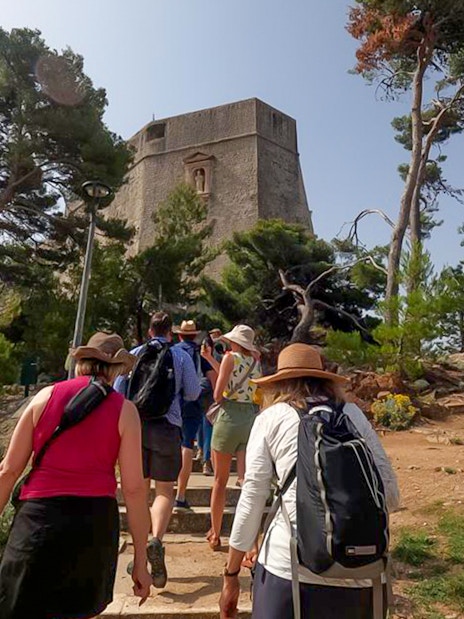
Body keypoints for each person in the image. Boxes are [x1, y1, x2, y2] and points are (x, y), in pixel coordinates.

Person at [219, 343, 400, 619]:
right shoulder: (352, 415)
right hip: (362, 574)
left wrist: (231, 574)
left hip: (289, 570)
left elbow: (252, 500)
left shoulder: (271, 418)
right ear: (324, 380)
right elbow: (390, 494)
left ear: (277, 384)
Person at [0, 332, 152, 619]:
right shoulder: (125, 411)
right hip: (91, 523)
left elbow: (8, 470)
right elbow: (134, 490)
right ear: (117, 369)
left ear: (80, 361)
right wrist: (141, 561)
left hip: (38, 519)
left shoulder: (45, 397)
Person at [114, 312, 201, 588]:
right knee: (164, 492)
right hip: (167, 427)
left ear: (150, 331)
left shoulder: (134, 353)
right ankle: (156, 542)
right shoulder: (181, 357)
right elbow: (193, 393)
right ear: (170, 333)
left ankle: (140, 552)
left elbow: (118, 390)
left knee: (138, 491)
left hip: (134, 429)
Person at [205, 324, 261, 551]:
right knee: (246, 481)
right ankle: (251, 542)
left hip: (228, 418)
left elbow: (219, 394)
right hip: (250, 418)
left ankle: (216, 533)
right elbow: (238, 380)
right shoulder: (256, 361)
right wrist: (211, 360)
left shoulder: (229, 358)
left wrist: (213, 362)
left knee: (220, 481)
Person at [173, 320, 217, 510]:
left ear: (179, 335)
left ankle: (166, 488)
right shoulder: (201, 353)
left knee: (173, 443)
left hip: (172, 403)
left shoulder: (173, 350)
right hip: (193, 403)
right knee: (187, 446)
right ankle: (180, 495)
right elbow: (213, 378)